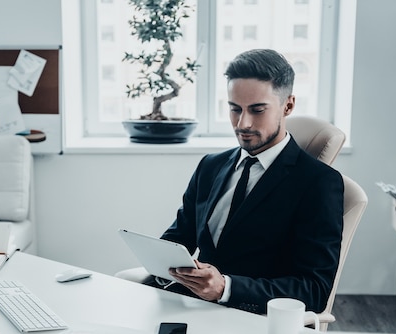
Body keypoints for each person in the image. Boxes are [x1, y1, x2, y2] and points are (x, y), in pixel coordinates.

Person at [147, 49, 344, 315]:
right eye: (234, 109)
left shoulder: (319, 183)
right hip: (187, 307)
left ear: (288, 105)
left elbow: (314, 290)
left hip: (251, 320)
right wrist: (165, 268)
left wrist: (226, 288)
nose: (243, 123)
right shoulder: (210, 166)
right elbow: (177, 238)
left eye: (257, 110)